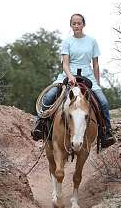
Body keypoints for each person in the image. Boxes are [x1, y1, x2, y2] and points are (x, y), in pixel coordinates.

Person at [31, 13, 116, 148]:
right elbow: (65, 63)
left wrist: (97, 83)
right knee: (49, 96)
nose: (76, 25)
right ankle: (39, 126)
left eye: (79, 23)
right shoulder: (67, 42)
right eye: (74, 23)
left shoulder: (92, 41)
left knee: (104, 103)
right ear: (71, 25)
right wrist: (70, 76)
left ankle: (106, 132)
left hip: (88, 76)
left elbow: (95, 64)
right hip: (68, 75)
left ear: (84, 24)